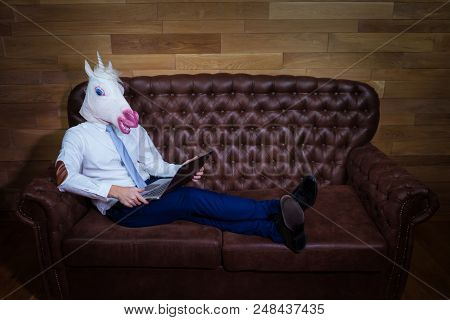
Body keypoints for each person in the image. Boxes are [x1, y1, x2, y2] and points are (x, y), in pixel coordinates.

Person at [55, 53, 318, 253]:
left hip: (150, 188)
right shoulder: (77, 136)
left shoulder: (132, 130)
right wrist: (115, 191)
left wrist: (182, 170)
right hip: (122, 207)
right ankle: (278, 206)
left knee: (194, 210)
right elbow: (64, 179)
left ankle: (277, 231)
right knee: (189, 200)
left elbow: (156, 165)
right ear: (92, 97)